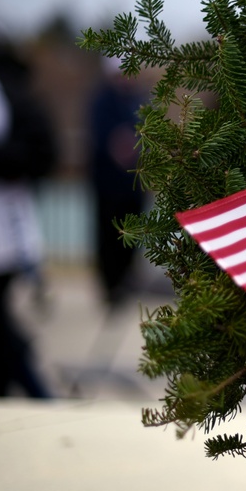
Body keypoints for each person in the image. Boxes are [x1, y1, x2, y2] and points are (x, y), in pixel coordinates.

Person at [0, 31, 57, 397]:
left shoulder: (4, 94)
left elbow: (41, 155)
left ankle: (36, 392)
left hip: (1, 234)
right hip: (5, 234)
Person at [87, 57, 144, 306]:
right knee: (107, 234)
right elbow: (99, 136)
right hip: (107, 183)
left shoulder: (140, 100)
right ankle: (109, 285)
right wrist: (118, 146)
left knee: (132, 233)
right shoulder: (100, 101)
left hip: (133, 184)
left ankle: (125, 280)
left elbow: (149, 132)